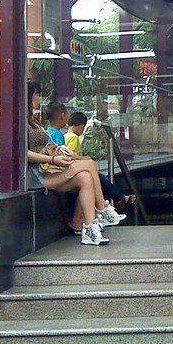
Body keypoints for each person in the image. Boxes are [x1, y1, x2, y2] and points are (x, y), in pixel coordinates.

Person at [26, 82, 124, 246]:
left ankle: (89, 228)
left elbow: (50, 145)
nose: (39, 98)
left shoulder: (34, 121)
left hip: (50, 168)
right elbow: (24, 154)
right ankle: (102, 208)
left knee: (85, 177)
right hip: (38, 173)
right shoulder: (21, 123)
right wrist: (52, 159)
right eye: (37, 94)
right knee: (89, 165)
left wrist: (62, 153)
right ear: (28, 96)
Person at [66, 111, 136, 208]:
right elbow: (71, 156)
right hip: (75, 170)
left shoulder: (66, 136)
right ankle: (118, 199)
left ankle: (119, 198)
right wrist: (86, 158)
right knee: (101, 179)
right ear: (81, 126)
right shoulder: (74, 138)